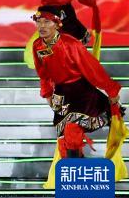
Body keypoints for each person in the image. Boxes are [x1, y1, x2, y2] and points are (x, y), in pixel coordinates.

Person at [31, 8, 122, 159]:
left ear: (57, 24)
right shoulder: (37, 46)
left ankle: (76, 165)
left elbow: (92, 68)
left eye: (47, 21)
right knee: (64, 141)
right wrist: (47, 94)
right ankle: (74, 168)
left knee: (72, 130)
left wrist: (111, 90)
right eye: (38, 22)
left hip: (81, 92)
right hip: (61, 94)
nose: (42, 26)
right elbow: (43, 74)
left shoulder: (70, 44)